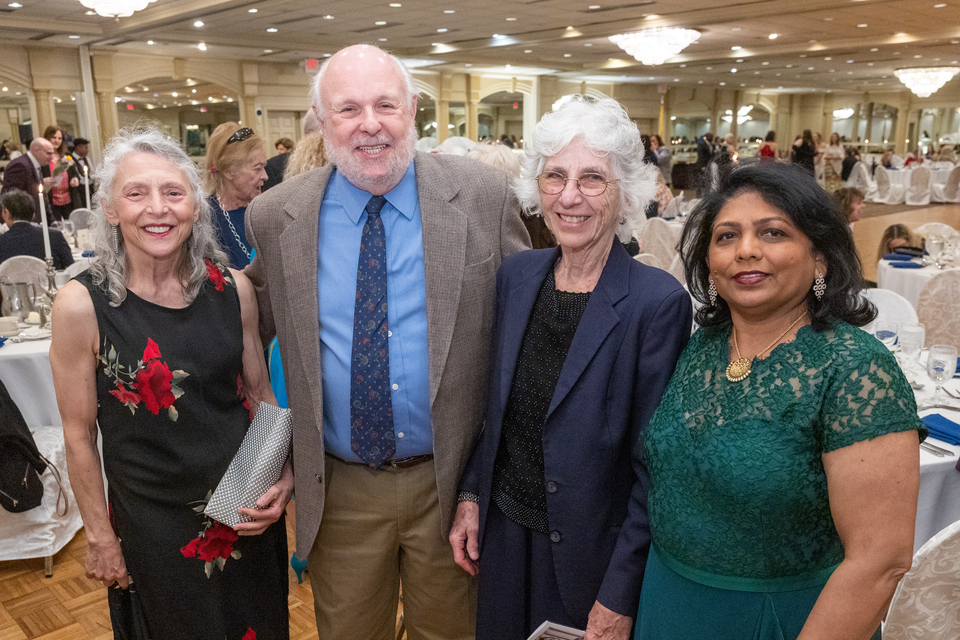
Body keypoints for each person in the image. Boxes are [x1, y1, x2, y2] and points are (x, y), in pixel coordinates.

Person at [243, 43, 530, 639]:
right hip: (339, 489)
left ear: (413, 109)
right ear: (322, 122)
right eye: (348, 109)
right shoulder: (276, 215)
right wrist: (270, 461)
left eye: (385, 105)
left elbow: (525, 341)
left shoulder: (483, 196)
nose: (369, 124)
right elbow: (245, 341)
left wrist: (488, 480)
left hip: (452, 484)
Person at [634, 162, 923, 640]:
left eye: (773, 233)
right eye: (727, 236)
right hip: (669, 602)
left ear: (820, 259)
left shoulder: (856, 369)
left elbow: (881, 561)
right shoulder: (700, 346)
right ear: (709, 263)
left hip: (785, 619)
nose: (746, 250)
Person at [451, 96, 692, 640]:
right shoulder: (517, 276)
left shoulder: (656, 304)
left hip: (588, 561)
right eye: (555, 176)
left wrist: (619, 593)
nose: (569, 196)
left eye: (592, 179)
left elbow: (655, 471)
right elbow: (495, 411)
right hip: (503, 542)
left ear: (625, 193)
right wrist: (470, 496)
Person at [49, 127, 292, 640]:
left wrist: (281, 476)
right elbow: (78, 435)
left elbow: (260, 397)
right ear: (109, 209)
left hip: (242, 511)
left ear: (196, 206)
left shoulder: (234, 290)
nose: (157, 209)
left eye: (173, 192)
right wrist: (99, 536)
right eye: (136, 193)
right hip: (151, 527)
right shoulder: (81, 305)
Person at [204, 122, 267, 269]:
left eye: (264, 167)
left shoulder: (265, 210)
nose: (265, 176)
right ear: (229, 171)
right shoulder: (206, 219)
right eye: (257, 168)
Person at [0, 188, 74, 268]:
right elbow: (72, 270)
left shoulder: (2, 242)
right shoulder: (55, 237)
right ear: (33, 215)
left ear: (7, 213)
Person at [1, 137, 55, 220]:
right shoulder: (19, 165)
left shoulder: (36, 164)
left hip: (37, 220)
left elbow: (41, 196)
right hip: (25, 221)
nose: (52, 157)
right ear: (36, 151)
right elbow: (10, 199)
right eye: (48, 153)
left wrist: (52, 220)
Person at [44, 126, 79, 222]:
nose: (57, 141)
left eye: (59, 138)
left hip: (68, 199)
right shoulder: (43, 158)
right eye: (54, 137)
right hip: (52, 201)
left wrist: (74, 179)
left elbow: (74, 173)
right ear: (47, 138)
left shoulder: (67, 155)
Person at [67, 137, 96, 211]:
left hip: (89, 188)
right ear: (78, 148)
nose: (87, 150)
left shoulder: (87, 159)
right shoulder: (70, 159)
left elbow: (91, 173)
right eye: (85, 148)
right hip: (79, 191)